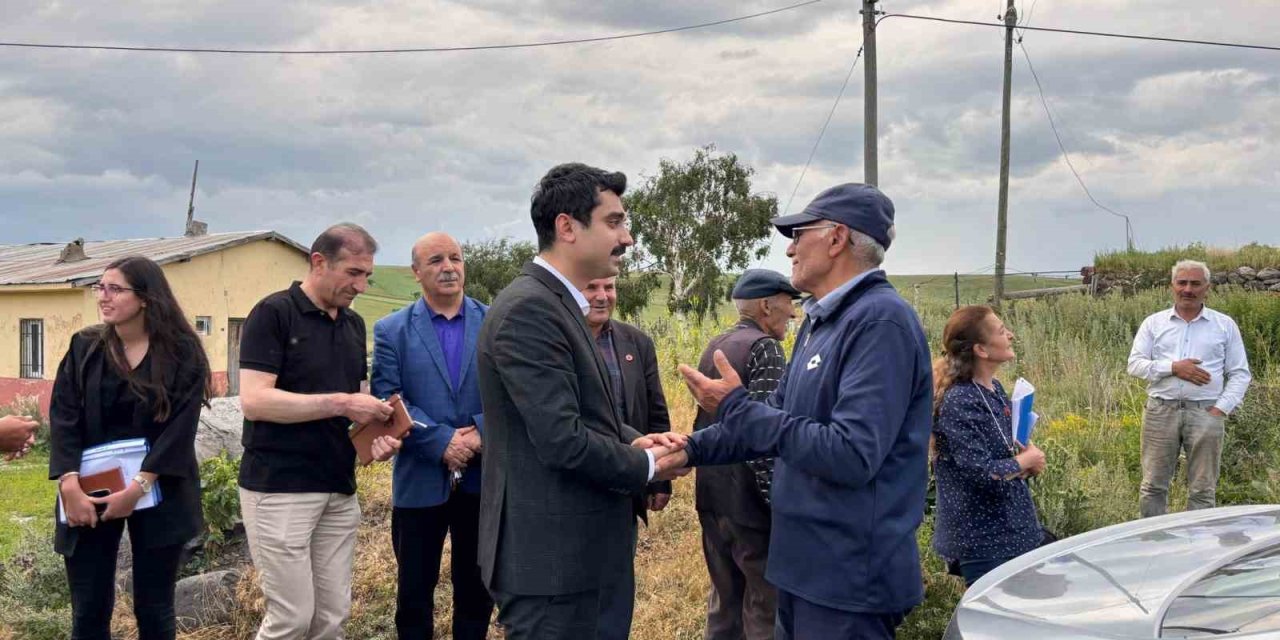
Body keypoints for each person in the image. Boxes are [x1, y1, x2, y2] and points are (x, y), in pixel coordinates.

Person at [676, 183, 933, 639]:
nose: (791, 248)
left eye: (799, 233)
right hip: (803, 568)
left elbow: (852, 454)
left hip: (847, 579)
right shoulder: (823, 322)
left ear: (836, 239)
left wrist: (734, 405)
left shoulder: (879, 322)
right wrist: (688, 449)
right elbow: (776, 415)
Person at [476, 163, 689, 639]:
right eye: (614, 222)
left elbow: (584, 414)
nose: (628, 238)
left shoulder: (560, 306)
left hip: (582, 560)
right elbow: (561, 441)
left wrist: (635, 440)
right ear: (567, 227)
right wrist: (650, 467)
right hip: (554, 569)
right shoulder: (531, 310)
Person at [237, 223, 399, 640]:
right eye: (353, 273)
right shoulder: (273, 313)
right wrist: (342, 402)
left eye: (367, 276)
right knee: (292, 618)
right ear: (319, 262)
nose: (361, 286)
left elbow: (355, 407)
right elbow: (255, 400)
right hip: (279, 489)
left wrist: (374, 436)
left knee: (332, 617)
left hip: (338, 487)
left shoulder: (352, 326)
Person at [48, 255, 213, 639]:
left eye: (114, 289)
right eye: (99, 287)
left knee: (154, 609)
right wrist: (68, 483)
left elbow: (179, 428)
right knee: (89, 609)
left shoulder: (181, 351)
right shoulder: (85, 346)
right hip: (90, 487)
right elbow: (64, 415)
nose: (103, 296)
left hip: (160, 485)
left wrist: (137, 487)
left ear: (145, 298)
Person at [371, 232, 493, 640]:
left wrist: (478, 434)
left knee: (476, 592)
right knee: (413, 594)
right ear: (416, 272)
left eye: (455, 258)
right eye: (436, 260)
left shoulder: (494, 323)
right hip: (420, 481)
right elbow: (390, 399)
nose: (448, 267)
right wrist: (443, 443)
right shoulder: (392, 330)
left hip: (482, 480)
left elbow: (513, 393)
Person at [693, 268, 799, 640]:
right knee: (764, 608)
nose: (794, 314)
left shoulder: (718, 344)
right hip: (750, 504)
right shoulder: (765, 348)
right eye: (789, 305)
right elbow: (764, 434)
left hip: (712, 495)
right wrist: (778, 503)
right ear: (767, 306)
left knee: (724, 602)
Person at [581, 275, 674, 640]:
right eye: (593, 287)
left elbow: (656, 411)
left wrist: (659, 478)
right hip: (576, 482)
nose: (603, 296)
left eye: (610, 288)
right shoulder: (560, 341)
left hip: (626, 482)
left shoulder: (636, 342)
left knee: (617, 588)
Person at [931, 305, 1047, 587]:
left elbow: (1004, 455)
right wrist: (1026, 460)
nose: (1010, 335)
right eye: (1001, 331)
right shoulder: (961, 400)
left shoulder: (993, 389)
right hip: (983, 540)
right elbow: (980, 472)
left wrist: (1028, 462)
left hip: (1013, 528)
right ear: (981, 350)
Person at [1128, 259, 1252, 518]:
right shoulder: (1154, 323)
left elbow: (1240, 373)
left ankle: (1199, 548)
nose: (1188, 289)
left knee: (1203, 489)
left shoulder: (1224, 325)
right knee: (1152, 486)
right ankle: (1153, 545)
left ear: (1207, 287)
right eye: (1182, 282)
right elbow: (1135, 365)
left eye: (1195, 284)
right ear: (1172, 285)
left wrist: (1220, 409)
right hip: (1161, 413)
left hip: (1206, 413)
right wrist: (1174, 367)